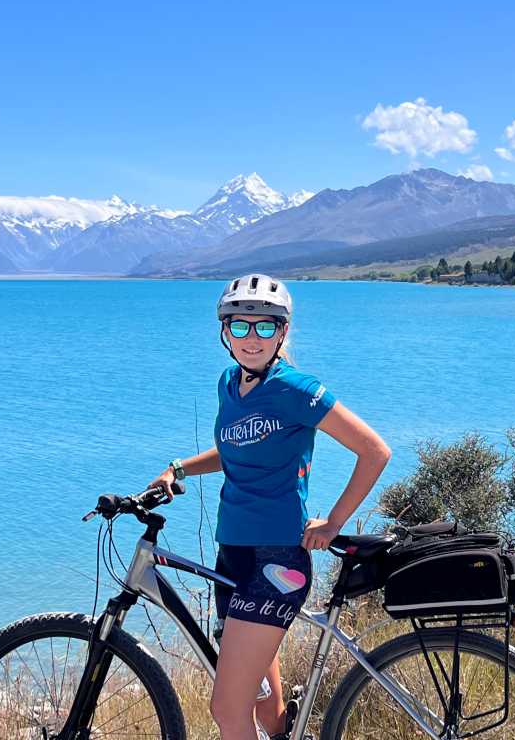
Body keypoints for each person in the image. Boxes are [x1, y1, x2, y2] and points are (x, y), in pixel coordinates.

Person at [147, 274, 391, 740]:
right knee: (263, 704)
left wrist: (334, 521)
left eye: (265, 327)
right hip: (233, 554)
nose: (252, 338)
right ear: (225, 333)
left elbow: (374, 451)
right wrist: (177, 468)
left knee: (225, 709)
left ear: (282, 332)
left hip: (277, 560)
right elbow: (236, 451)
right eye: (240, 327)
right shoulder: (228, 385)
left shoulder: (296, 390)